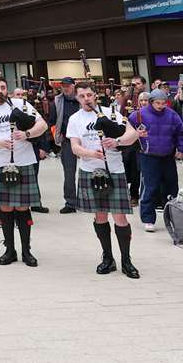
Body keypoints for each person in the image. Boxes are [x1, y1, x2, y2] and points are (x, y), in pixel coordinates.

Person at [66, 85, 141, 279]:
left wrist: (117, 142)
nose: (87, 98)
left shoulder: (112, 112)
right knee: (100, 216)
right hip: (90, 171)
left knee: (120, 218)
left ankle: (126, 260)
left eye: (89, 95)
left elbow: (132, 135)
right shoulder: (75, 119)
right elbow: (75, 147)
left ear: (95, 96)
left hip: (114, 170)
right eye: (82, 96)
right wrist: (91, 153)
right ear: (77, 99)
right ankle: (107, 258)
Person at [0, 78, 46, 267]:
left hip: (24, 162)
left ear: (7, 90)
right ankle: (9, 250)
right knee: (4, 208)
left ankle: (26, 251)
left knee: (23, 208)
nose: (0, 90)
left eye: (3, 87)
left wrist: (27, 134)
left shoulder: (21, 104)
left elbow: (43, 125)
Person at [129, 88, 183, 231]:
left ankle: (174, 217)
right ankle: (148, 219)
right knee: (150, 187)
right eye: (157, 103)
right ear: (151, 102)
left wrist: (182, 150)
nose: (161, 106)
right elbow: (128, 133)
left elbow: (179, 134)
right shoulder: (138, 116)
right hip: (148, 156)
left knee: (171, 186)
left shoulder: (173, 115)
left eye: (163, 103)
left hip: (168, 156)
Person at [52, 78, 81, 213]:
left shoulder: (82, 98)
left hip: (86, 139)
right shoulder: (57, 101)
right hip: (67, 141)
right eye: (63, 86)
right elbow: (52, 120)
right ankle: (70, 203)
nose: (65, 88)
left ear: (73, 86)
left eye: (68, 86)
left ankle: (92, 199)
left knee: (92, 169)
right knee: (69, 173)